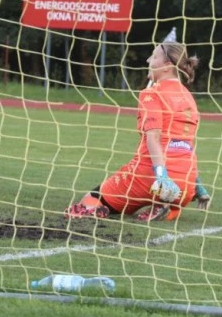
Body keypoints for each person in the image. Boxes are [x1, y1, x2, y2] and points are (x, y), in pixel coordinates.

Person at [65, 41, 210, 222]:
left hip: (152, 179)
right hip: (185, 185)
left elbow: (153, 138)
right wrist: (197, 185)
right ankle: (168, 208)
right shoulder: (188, 96)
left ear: (167, 67)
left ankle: (101, 207)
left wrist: (161, 177)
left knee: (92, 198)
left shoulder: (151, 93)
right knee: (169, 191)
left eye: (154, 56)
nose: (149, 59)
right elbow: (185, 144)